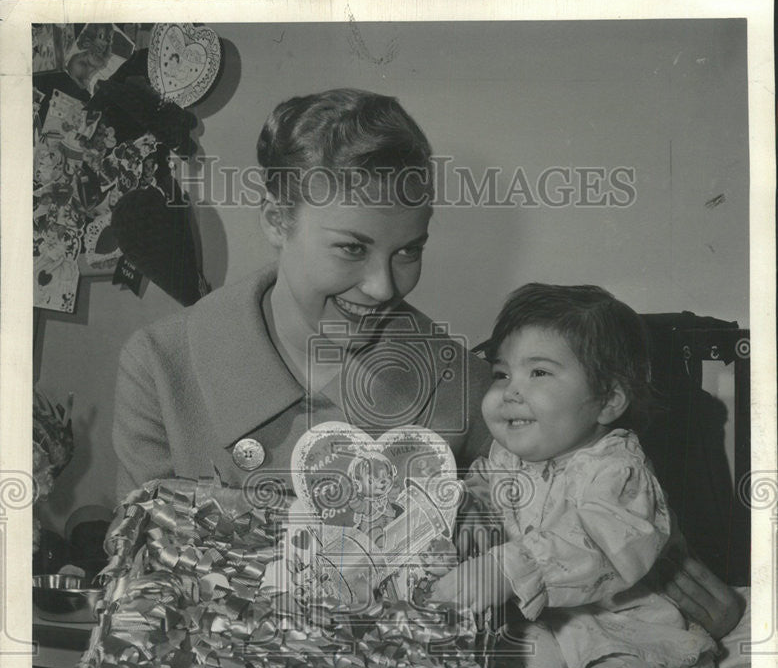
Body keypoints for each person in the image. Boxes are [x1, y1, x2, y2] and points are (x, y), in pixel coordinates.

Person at [112, 87, 742, 637]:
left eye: (408, 252)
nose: (385, 287)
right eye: (351, 248)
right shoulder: (163, 365)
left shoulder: (462, 382)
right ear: (278, 220)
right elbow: (142, 577)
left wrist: (663, 564)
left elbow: (576, 493)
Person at [432, 284, 722, 668]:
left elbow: (604, 545)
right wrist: (453, 518)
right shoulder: (503, 458)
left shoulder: (617, 471)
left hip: (632, 634)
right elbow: (481, 503)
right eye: (501, 374)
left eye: (539, 374)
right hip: (551, 625)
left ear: (608, 400)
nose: (511, 392)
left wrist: (507, 568)